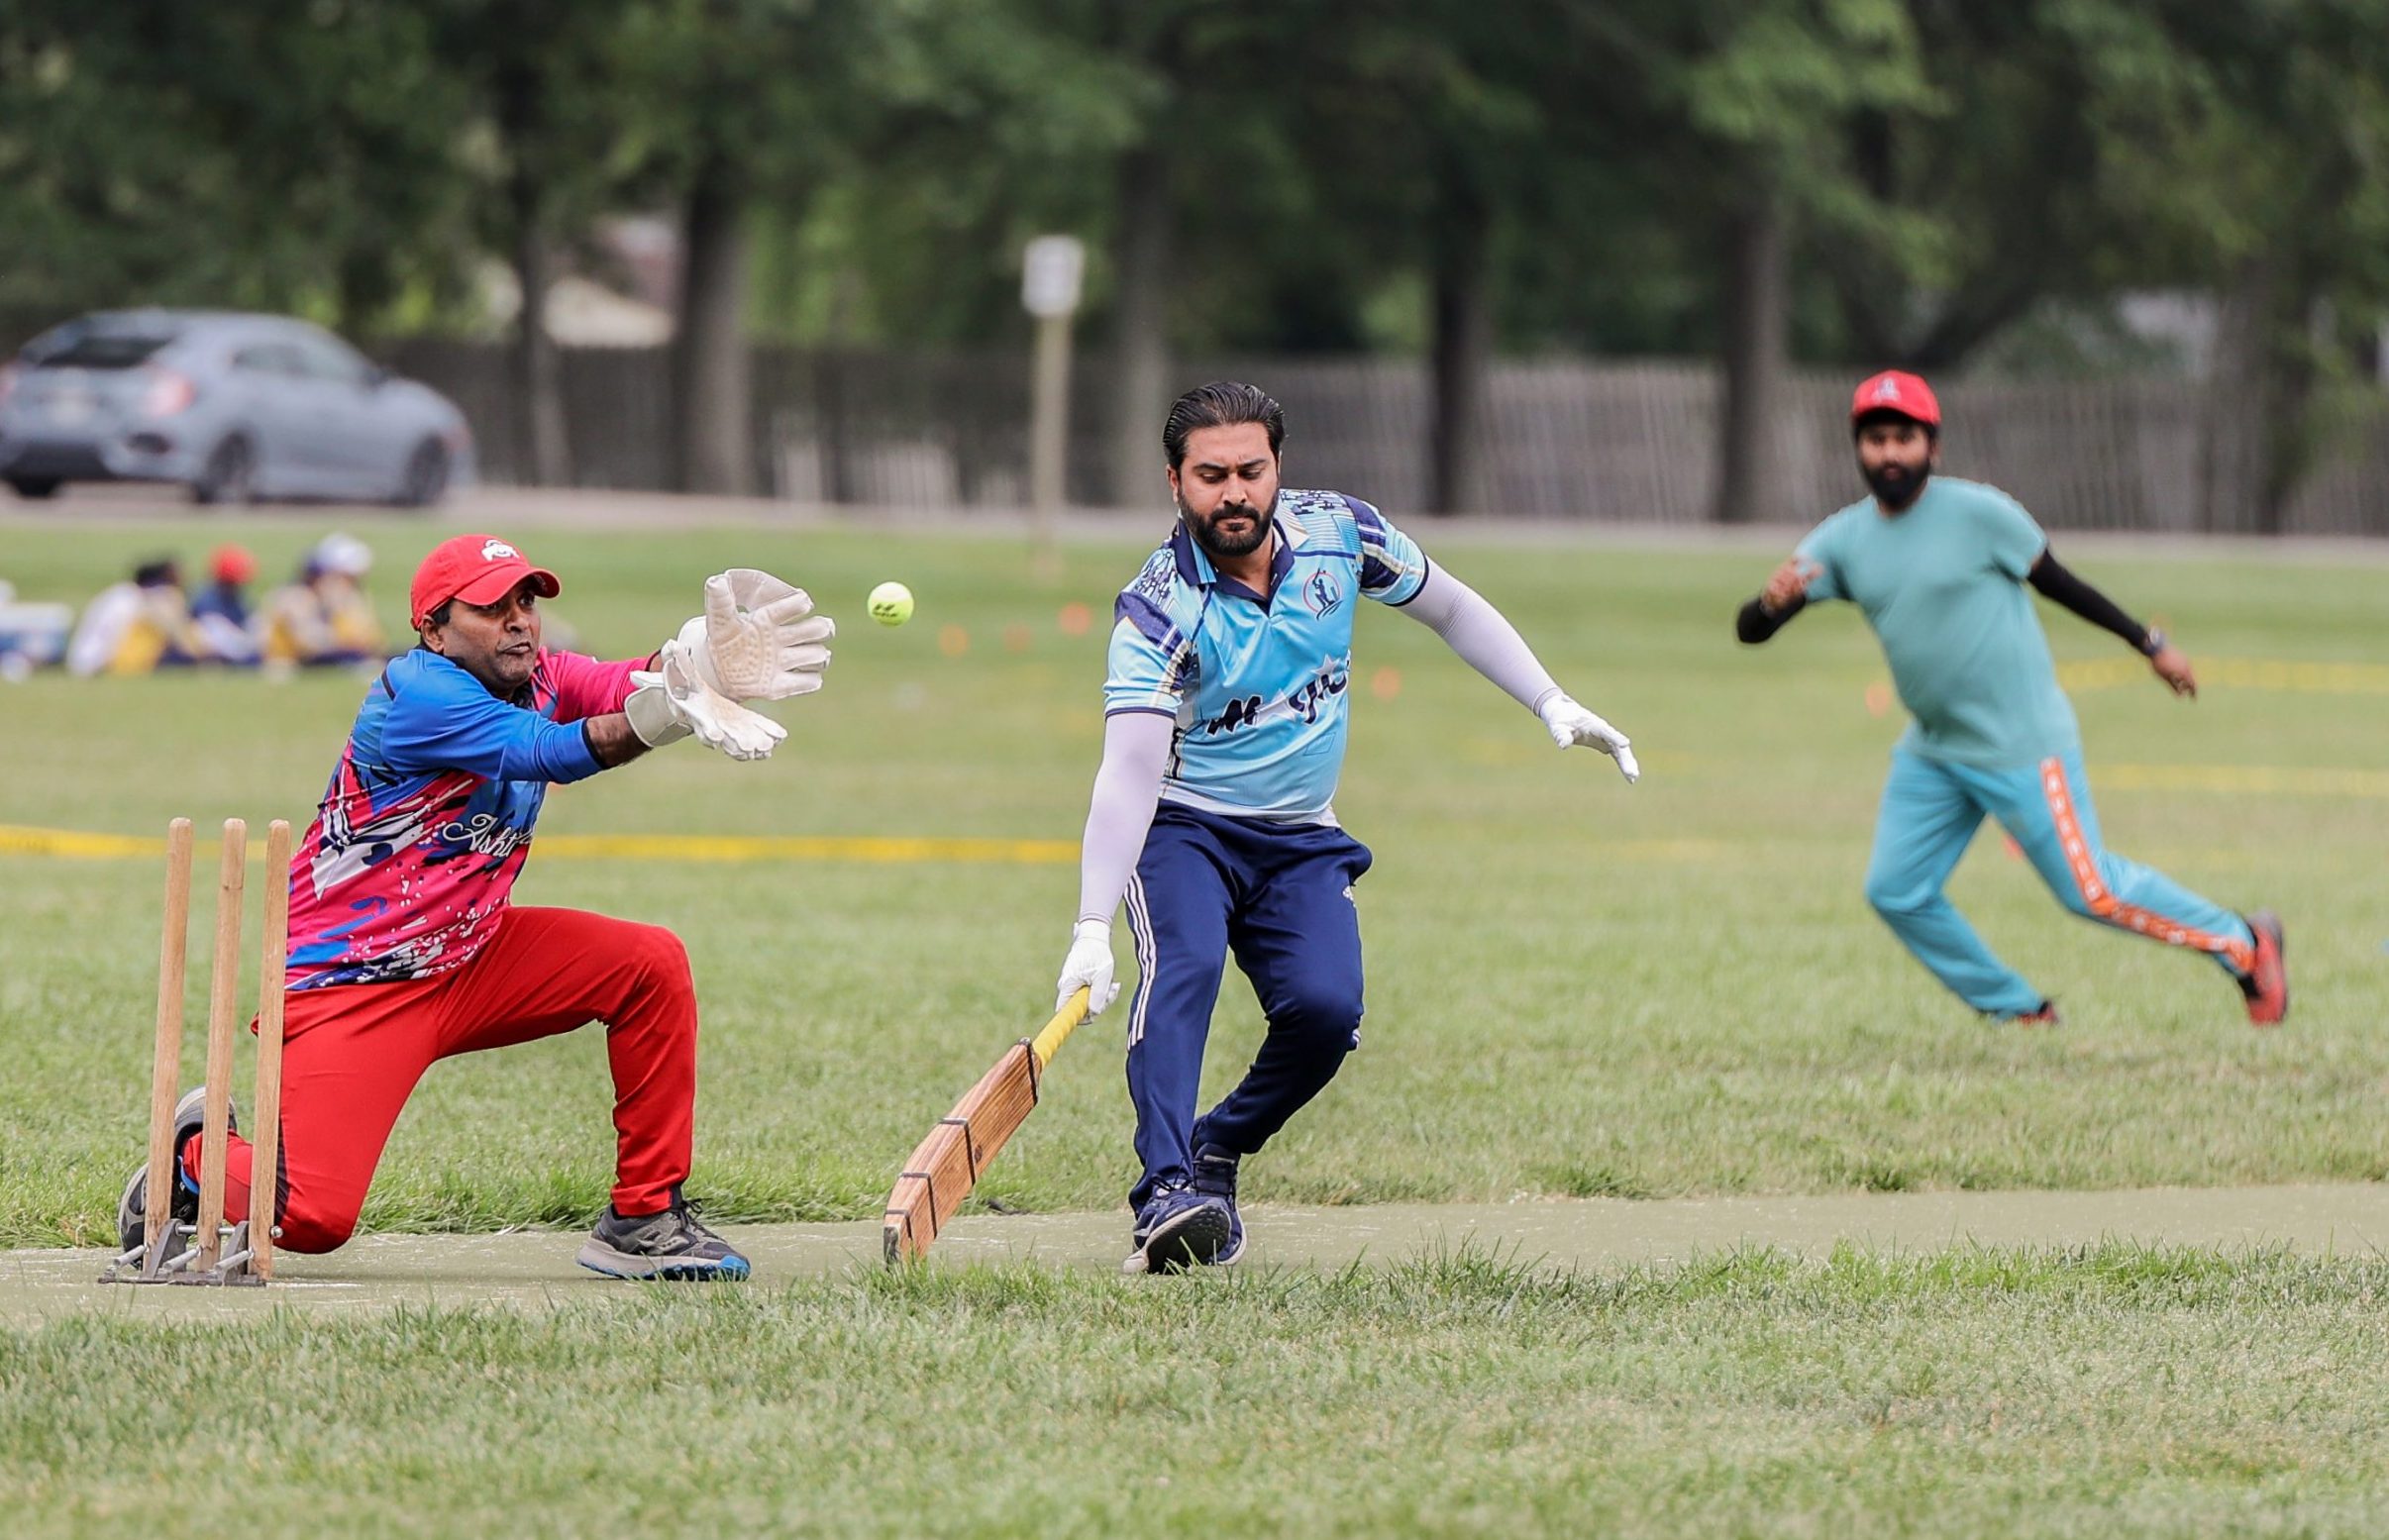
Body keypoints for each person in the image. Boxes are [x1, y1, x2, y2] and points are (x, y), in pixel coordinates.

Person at [118, 534, 836, 1280]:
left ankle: (644, 1217)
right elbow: (552, 752)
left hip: (470, 956)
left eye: (526, 601)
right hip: (352, 984)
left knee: (649, 963)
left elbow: (628, 683)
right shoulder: (420, 694)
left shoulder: (542, 673)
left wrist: (704, 668)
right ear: (433, 627)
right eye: (492, 607)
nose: (520, 620)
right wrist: (673, 714)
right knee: (312, 1216)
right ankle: (195, 1151)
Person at [1054, 381, 1640, 1274]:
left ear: (1279, 468)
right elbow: (1130, 770)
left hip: (1300, 835)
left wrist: (1549, 698)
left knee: (1327, 1014)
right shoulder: (1157, 607)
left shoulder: (1342, 532)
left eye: (1251, 470)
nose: (1235, 492)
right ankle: (1166, 1189)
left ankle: (1218, 1148)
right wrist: (1092, 926)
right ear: (1174, 481)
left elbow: (1450, 606)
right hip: (1188, 831)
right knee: (1188, 970)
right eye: (1211, 475)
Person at [1734, 369, 2287, 1028]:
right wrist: (1769, 605)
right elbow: (1753, 630)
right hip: (1935, 749)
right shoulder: (1842, 541)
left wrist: (2150, 643)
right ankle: (2016, 1007)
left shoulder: (1981, 513)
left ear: (1932, 447)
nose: (1888, 453)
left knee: (2092, 891)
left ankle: (2245, 946)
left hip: (2022, 743)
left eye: (1903, 438)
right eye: (1875, 439)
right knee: (1895, 890)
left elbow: (2063, 584)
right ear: (1858, 448)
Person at [66, 558, 213, 676]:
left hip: (82, 659)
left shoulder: (120, 594)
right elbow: (179, 635)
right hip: (102, 663)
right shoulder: (149, 598)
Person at [263, 533, 387, 669]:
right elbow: (310, 644)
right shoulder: (295, 598)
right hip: (296, 660)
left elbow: (371, 641)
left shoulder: (342, 599)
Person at [188, 544, 260, 665]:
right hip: (214, 649)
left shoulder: (239, 598)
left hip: (236, 645)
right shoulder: (207, 599)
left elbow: (250, 623)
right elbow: (213, 633)